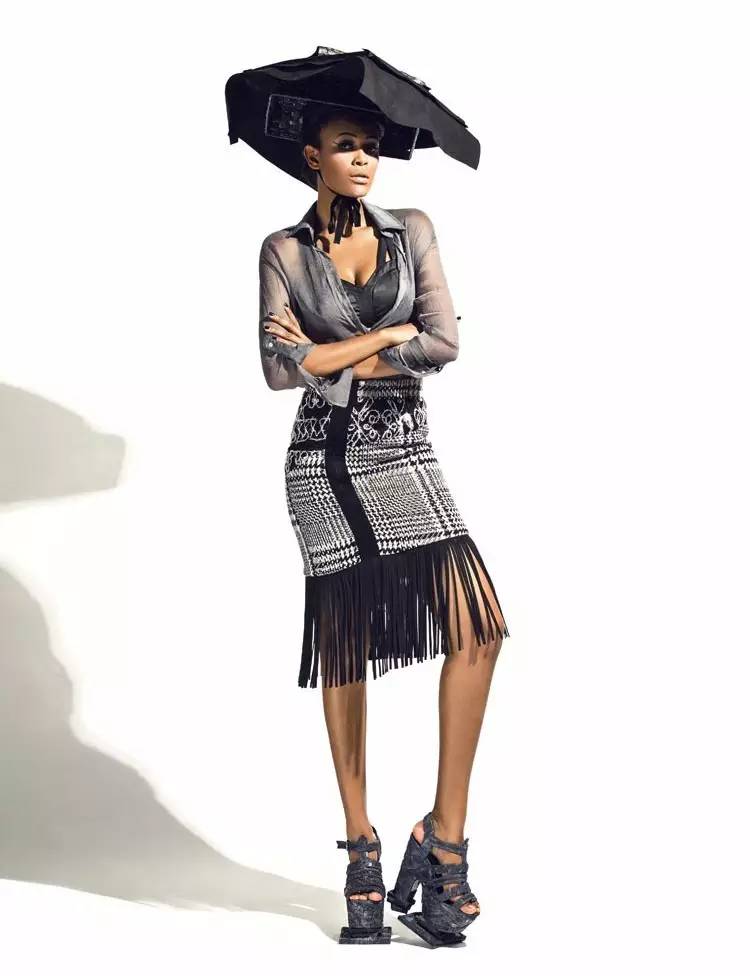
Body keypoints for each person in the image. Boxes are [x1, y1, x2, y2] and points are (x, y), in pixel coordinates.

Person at [258, 103, 510, 946]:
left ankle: (444, 842)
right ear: (312, 157)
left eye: (370, 147)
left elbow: (444, 343)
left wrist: (331, 353)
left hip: (403, 448)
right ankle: (360, 852)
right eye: (346, 147)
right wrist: (388, 337)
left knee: (479, 630)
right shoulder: (283, 251)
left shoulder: (413, 231)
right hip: (321, 464)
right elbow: (276, 372)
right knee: (344, 647)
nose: (364, 159)